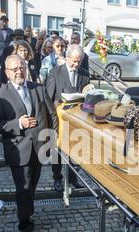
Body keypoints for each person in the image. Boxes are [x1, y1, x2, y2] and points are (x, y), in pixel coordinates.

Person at [0, 55, 57, 232]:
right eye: (15, 69)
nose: (19, 71)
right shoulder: (0, 95)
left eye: (22, 67)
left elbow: (52, 115)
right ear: (7, 72)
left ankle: (27, 210)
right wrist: (18, 123)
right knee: (24, 189)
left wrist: (52, 141)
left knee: (32, 186)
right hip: (19, 150)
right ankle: (25, 225)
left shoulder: (39, 88)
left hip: (40, 147)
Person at [46, 44, 90, 192]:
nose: (77, 64)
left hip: (77, 120)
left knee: (76, 151)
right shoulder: (55, 72)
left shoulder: (84, 74)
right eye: (74, 61)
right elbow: (48, 98)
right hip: (59, 119)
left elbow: (87, 99)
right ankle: (57, 178)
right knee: (56, 151)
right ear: (67, 57)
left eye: (80, 61)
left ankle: (73, 178)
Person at [0, 16, 13, 85]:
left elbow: (12, 42)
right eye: (3, 22)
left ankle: (6, 80)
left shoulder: (11, 31)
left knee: (7, 66)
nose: (4, 23)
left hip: (8, 52)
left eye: (5, 22)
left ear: (7, 22)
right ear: (0, 22)